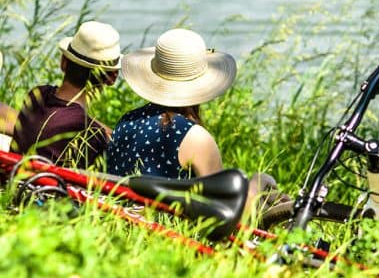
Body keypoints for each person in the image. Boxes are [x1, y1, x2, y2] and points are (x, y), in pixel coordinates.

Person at [107, 28, 281, 216]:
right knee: (261, 181)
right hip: (169, 234)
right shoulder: (194, 136)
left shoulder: (126, 121)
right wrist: (259, 183)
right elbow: (223, 209)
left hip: (123, 223)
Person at [10, 20, 121, 168]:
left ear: (63, 62)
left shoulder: (36, 95)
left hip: (14, 182)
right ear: (112, 78)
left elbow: (66, 114)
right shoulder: (92, 135)